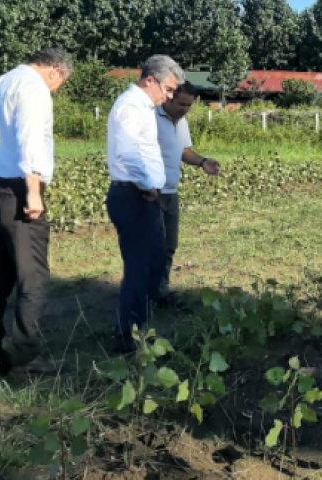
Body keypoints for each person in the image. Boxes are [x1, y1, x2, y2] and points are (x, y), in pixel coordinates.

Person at [0, 48, 73, 375]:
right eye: (62, 83)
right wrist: (33, 193)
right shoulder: (34, 88)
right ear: (55, 70)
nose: (58, 89)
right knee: (33, 277)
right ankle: (26, 357)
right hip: (15, 191)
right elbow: (30, 140)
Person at [106, 55, 184, 354]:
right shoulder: (130, 106)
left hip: (141, 195)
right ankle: (129, 337)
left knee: (151, 264)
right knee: (139, 269)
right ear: (150, 79)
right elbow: (127, 153)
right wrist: (148, 186)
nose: (170, 95)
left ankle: (138, 328)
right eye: (168, 88)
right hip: (133, 195)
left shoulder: (143, 108)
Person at [154, 81, 220, 306]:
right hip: (150, 194)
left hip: (171, 192)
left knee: (169, 245)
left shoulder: (181, 122)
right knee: (151, 246)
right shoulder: (150, 119)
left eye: (189, 106)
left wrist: (202, 162)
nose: (185, 109)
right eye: (181, 104)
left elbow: (184, 151)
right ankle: (145, 294)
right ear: (169, 98)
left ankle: (161, 291)